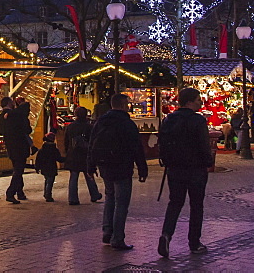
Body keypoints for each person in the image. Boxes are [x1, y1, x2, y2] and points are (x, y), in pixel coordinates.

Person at [156, 87, 213, 258]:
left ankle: (166, 234)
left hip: (175, 168)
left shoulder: (169, 119)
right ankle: (194, 242)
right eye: (198, 99)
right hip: (195, 168)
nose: (200, 102)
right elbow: (203, 145)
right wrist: (208, 162)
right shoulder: (198, 120)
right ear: (189, 101)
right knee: (196, 205)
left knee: (175, 203)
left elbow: (162, 143)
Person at [87, 93, 148, 251]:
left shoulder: (101, 121)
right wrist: (142, 168)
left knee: (110, 197)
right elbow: (136, 147)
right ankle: (118, 238)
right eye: (127, 104)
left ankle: (107, 231)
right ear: (122, 105)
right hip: (122, 166)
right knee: (121, 203)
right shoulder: (126, 123)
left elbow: (91, 143)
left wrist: (91, 166)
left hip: (105, 165)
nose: (128, 107)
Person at [63, 106, 102, 205]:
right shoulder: (89, 127)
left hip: (74, 154)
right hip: (86, 154)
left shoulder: (71, 126)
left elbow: (66, 141)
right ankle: (94, 194)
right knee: (89, 175)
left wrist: (67, 151)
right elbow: (94, 141)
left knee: (73, 177)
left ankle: (73, 198)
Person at [0, 96, 31, 204]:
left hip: (9, 146)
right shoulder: (16, 115)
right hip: (20, 145)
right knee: (19, 170)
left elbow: (0, 132)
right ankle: (10, 193)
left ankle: (20, 192)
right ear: (10, 103)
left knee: (17, 168)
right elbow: (27, 129)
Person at [35, 131, 64, 202]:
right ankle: (48, 195)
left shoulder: (42, 149)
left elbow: (38, 159)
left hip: (44, 168)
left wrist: (37, 167)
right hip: (52, 167)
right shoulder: (54, 150)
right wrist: (66, 159)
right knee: (50, 181)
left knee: (47, 180)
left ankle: (46, 193)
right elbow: (59, 159)